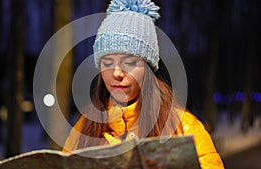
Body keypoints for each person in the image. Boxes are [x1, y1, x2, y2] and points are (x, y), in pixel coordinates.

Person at [63, 0, 224, 168]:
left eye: (130, 63)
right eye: (108, 63)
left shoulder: (184, 126)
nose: (117, 73)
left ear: (147, 68)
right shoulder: (83, 129)